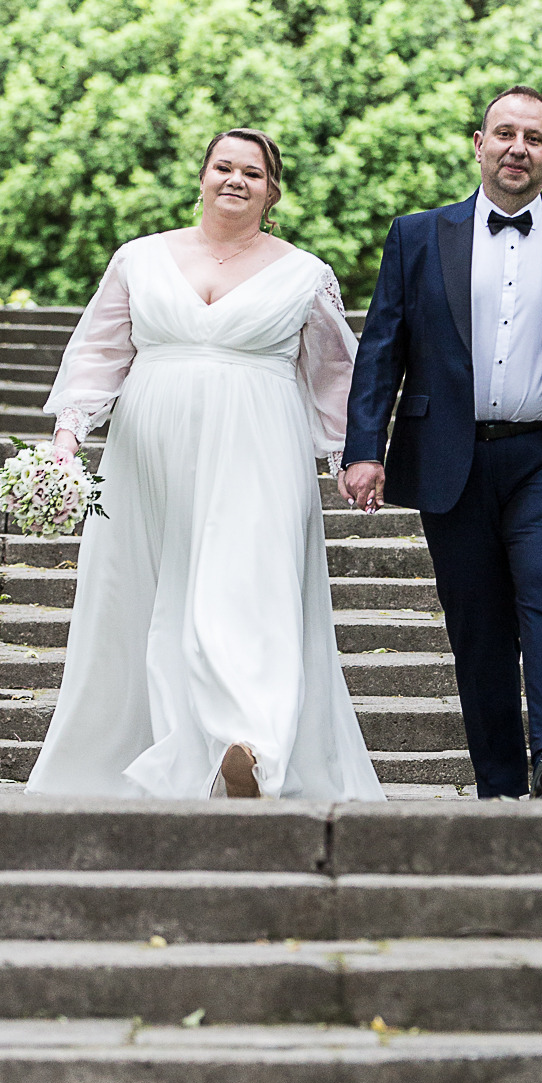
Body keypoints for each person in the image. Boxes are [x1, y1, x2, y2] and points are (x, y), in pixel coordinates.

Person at [27, 130, 383, 803]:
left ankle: (248, 742)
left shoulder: (305, 273)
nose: (235, 180)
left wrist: (350, 455)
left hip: (261, 448)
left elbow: (335, 372)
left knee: (247, 585)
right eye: (224, 166)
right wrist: (68, 437)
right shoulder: (140, 258)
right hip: (149, 455)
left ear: (272, 192)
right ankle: (152, 749)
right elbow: (100, 352)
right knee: (145, 596)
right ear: (202, 177)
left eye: (253, 172)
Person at [339, 86, 542, 800]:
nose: (517, 148)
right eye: (504, 133)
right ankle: (499, 789)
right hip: (453, 456)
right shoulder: (417, 237)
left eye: (533, 138)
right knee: (477, 626)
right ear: (478, 144)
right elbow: (381, 348)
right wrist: (364, 448)